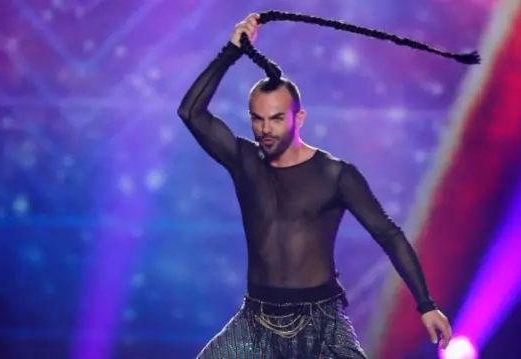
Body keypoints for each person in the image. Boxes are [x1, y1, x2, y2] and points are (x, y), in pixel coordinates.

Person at [177, 13, 452, 359]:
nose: (265, 129)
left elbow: (389, 234)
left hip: (322, 325)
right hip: (255, 321)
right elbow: (191, 112)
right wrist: (230, 51)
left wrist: (426, 305)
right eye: (257, 119)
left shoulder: (336, 174)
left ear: (299, 119)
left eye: (276, 118)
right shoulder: (243, 160)